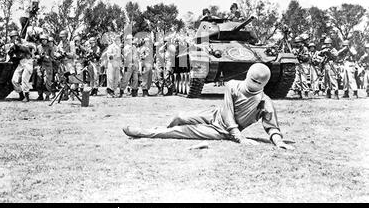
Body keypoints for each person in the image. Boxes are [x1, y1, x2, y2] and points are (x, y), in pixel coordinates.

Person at [123, 63, 294, 150]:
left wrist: (278, 141)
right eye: (253, 79)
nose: (255, 84)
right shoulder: (233, 85)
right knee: (180, 117)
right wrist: (240, 137)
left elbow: (271, 126)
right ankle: (162, 128)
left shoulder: (265, 101)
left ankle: (144, 132)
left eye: (259, 82)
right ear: (248, 75)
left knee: (182, 131)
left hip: (224, 131)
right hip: (215, 115)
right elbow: (227, 112)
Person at [7, 30, 34, 102]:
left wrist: (18, 45)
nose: (14, 39)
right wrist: (11, 50)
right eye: (13, 37)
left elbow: (27, 50)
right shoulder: (12, 45)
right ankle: (21, 95)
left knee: (24, 79)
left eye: (16, 37)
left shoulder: (23, 42)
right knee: (14, 80)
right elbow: (10, 55)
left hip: (28, 61)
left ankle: (27, 96)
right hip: (21, 62)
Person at [35, 34, 54, 101]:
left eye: (45, 40)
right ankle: (40, 95)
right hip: (40, 65)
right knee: (39, 81)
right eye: (42, 40)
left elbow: (52, 58)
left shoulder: (50, 48)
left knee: (47, 81)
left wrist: (46, 57)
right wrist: (38, 56)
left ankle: (47, 95)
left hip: (48, 66)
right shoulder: (38, 47)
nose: (44, 41)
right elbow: (35, 55)